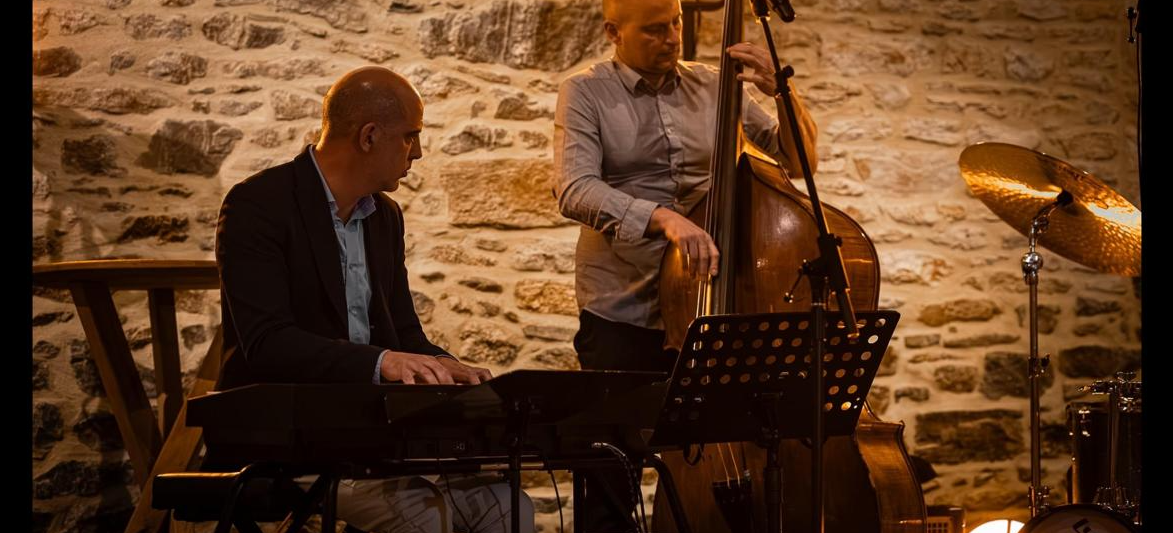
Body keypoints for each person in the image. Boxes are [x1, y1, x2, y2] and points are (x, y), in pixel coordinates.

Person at [214, 65, 533, 533]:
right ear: (368, 136)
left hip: (370, 440)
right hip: (286, 441)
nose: (418, 152)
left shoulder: (384, 217)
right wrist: (382, 363)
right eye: (410, 137)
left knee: (511, 506)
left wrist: (446, 365)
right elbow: (267, 343)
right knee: (425, 517)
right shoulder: (258, 204)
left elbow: (403, 333)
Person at [551, 0, 819, 530]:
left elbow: (800, 162)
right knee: (611, 467)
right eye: (653, 30)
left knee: (719, 449)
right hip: (623, 307)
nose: (672, 37)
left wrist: (780, 91)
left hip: (708, 302)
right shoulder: (585, 90)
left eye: (675, 23)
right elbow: (573, 188)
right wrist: (665, 220)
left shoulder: (716, 84)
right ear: (613, 32)